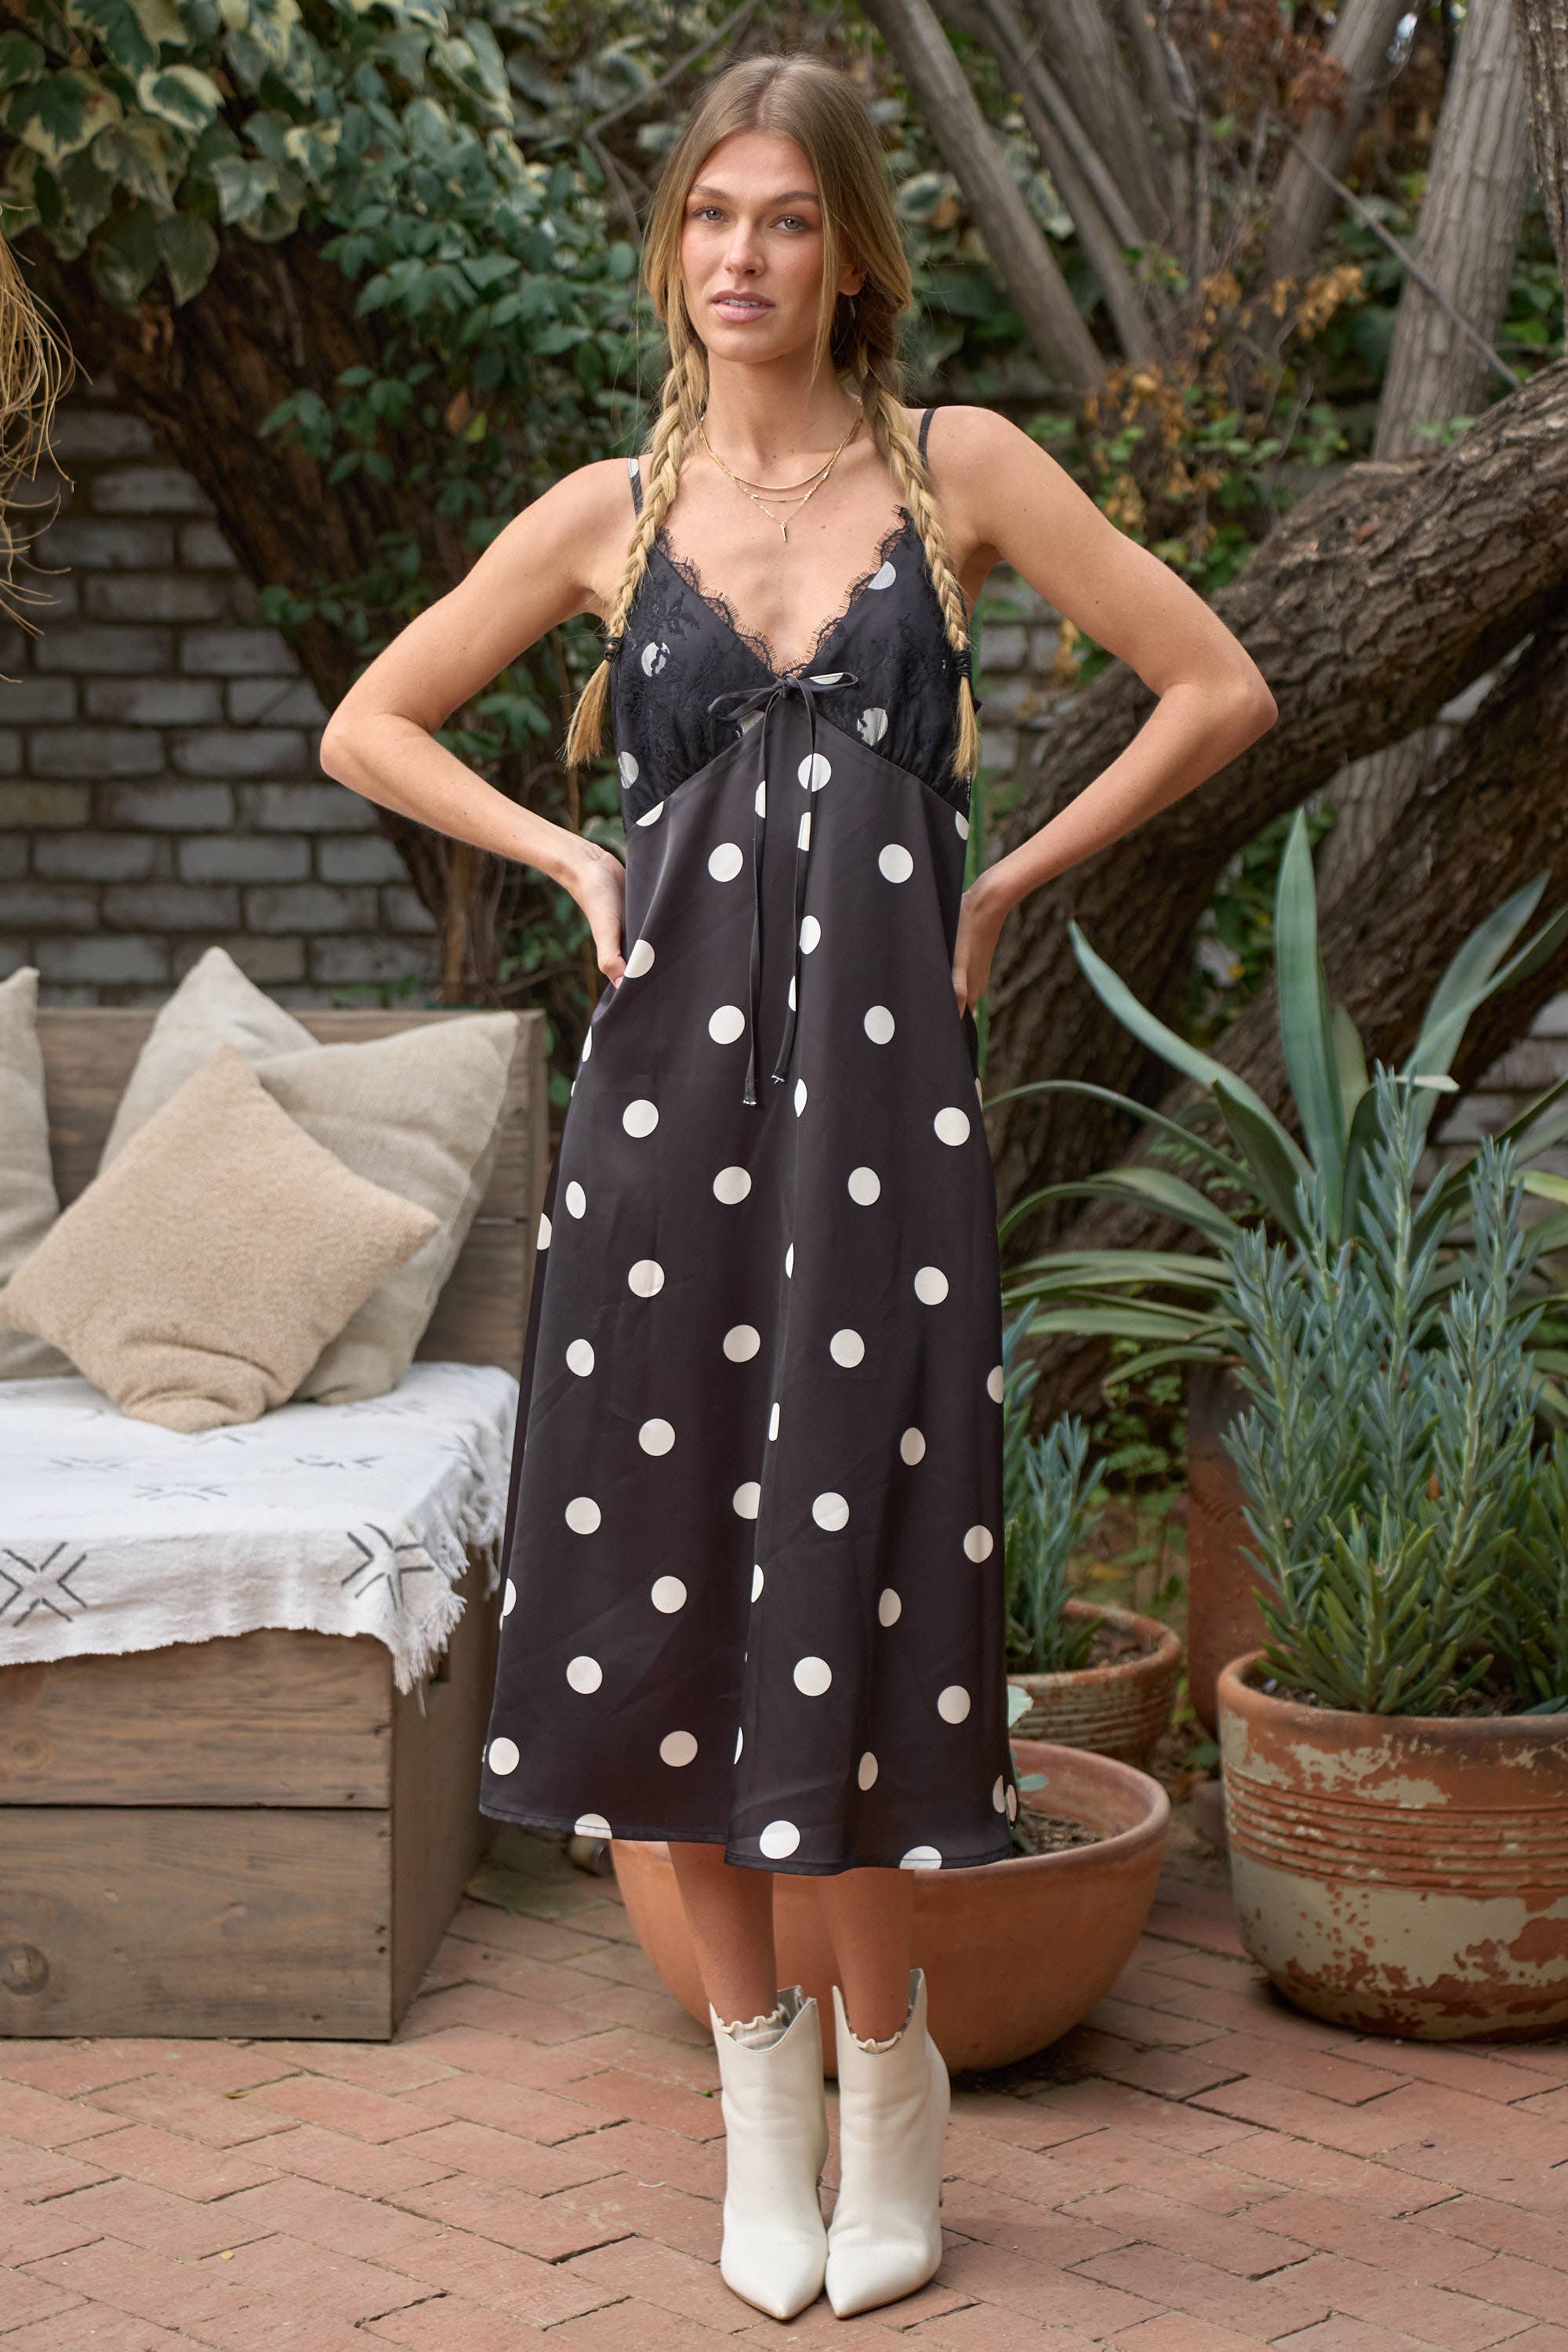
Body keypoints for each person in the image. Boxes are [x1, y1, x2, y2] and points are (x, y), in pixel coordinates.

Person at [320, 47, 1276, 2325]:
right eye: (709, 216)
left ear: (852, 253)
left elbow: (1214, 685)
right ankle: (761, 2105)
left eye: (785, 218)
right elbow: (369, 721)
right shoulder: (607, 515)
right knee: (669, 1598)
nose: (740, 256)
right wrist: (569, 854)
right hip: (658, 1137)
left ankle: (891, 2077)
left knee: (853, 1596)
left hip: (882, 1141)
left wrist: (1002, 883)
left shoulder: (960, 471)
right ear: (672, 248)